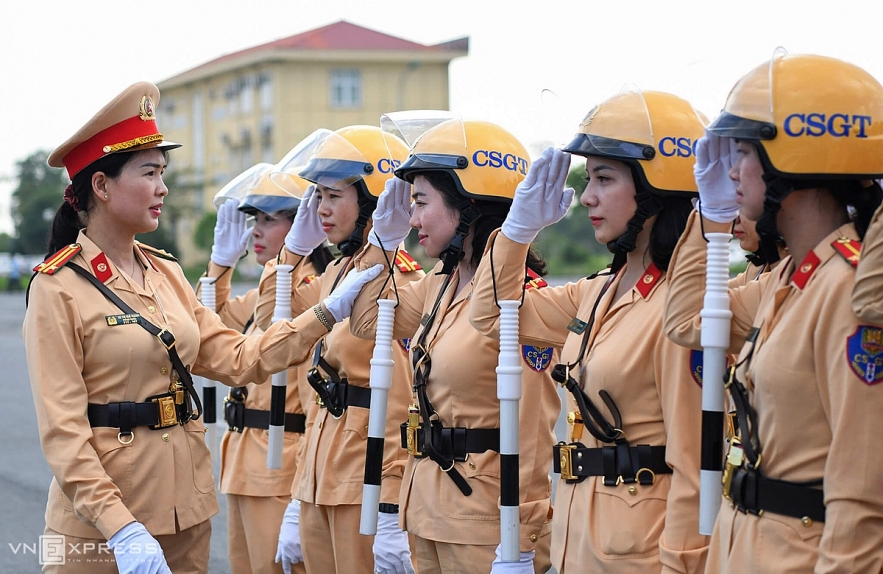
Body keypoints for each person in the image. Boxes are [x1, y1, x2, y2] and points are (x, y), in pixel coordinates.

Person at [22, 82, 383, 574]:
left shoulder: (165, 271)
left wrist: (324, 313)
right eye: (149, 173)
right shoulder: (57, 287)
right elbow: (63, 433)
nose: (162, 188)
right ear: (102, 187)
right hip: (99, 530)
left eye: (162, 173)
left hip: (184, 515)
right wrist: (120, 527)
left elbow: (238, 359)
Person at [470, 91, 710, 573]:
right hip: (581, 539)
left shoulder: (686, 308)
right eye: (589, 178)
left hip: (641, 551)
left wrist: (682, 566)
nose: (587, 197)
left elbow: (696, 466)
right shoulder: (599, 291)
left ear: (653, 190)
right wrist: (516, 233)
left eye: (604, 178)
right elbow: (494, 319)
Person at [663, 53, 883, 572]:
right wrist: (710, 219)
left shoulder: (848, 292)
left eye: (743, 152)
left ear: (796, 160)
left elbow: (863, 495)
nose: (731, 170)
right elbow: (687, 323)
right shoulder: (787, 280)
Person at [346, 117, 560, 574]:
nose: (414, 219)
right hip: (427, 508)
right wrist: (380, 244)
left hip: (486, 521)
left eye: (421, 203)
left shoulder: (523, 297)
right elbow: (367, 321)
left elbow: (533, 428)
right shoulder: (439, 285)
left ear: (468, 207)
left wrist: (520, 537)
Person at [272, 125, 423, 574]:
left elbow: (401, 402)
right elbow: (276, 324)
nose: (321, 209)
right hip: (321, 475)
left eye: (334, 196)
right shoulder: (338, 272)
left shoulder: (402, 283)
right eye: (318, 196)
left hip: (366, 480)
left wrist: (392, 504)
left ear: (373, 202)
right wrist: (292, 253)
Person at [199, 164, 333, 574]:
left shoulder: (314, 291)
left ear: (302, 226)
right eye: (254, 219)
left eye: (269, 219)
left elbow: (318, 405)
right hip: (242, 464)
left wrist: (300, 495)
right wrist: (220, 263)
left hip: (281, 468)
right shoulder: (265, 294)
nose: (255, 230)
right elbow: (207, 321)